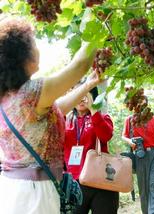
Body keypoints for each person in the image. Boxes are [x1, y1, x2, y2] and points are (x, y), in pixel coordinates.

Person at [0, 16, 97, 213]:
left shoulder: (10, 98)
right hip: (35, 194)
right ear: (23, 55)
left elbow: (55, 110)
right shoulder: (30, 93)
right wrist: (95, 17)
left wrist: (87, 86)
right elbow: (80, 64)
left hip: (14, 189)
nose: (38, 49)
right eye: (34, 44)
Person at [60, 76, 119, 214]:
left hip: (101, 181)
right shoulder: (65, 120)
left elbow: (106, 135)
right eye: (77, 94)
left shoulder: (102, 117)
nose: (81, 99)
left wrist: (93, 110)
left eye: (85, 95)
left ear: (92, 96)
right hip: (74, 183)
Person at [121, 97, 154, 214]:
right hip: (140, 155)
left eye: (144, 104)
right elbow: (123, 136)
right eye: (138, 103)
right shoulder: (129, 120)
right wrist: (130, 142)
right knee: (143, 188)